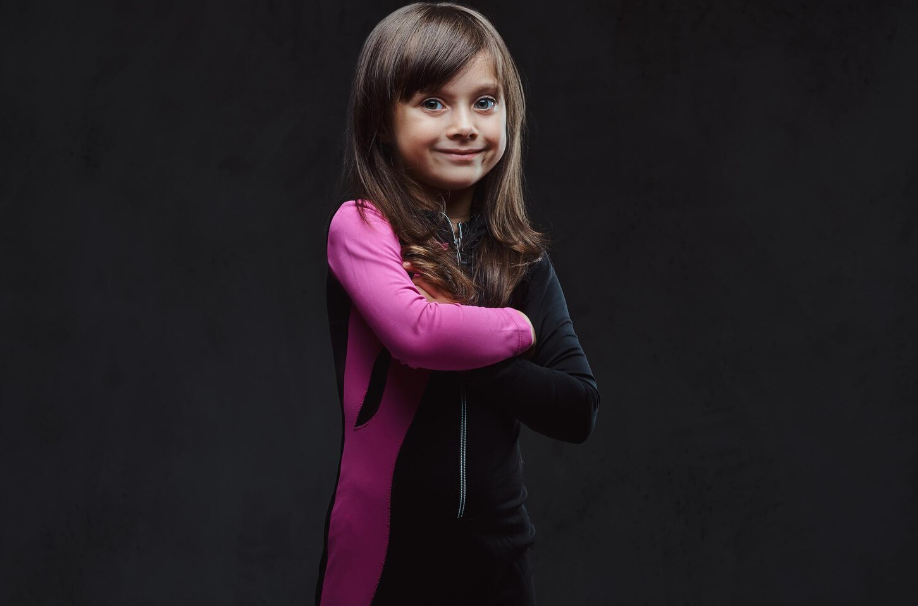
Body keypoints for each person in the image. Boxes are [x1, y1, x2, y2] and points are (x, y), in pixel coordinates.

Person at [315, 3, 600, 605]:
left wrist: (465, 343)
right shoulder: (363, 227)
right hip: (385, 554)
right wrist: (515, 328)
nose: (465, 125)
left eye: (485, 102)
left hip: (499, 558)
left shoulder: (521, 260)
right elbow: (416, 334)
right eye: (433, 103)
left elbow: (577, 407)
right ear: (380, 120)